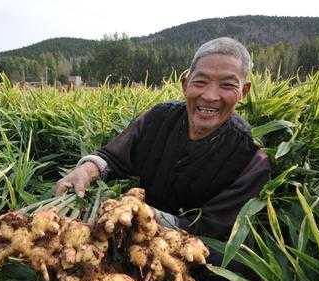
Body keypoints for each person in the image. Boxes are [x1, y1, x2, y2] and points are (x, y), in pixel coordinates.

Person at [55, 37, 271, 242]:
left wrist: (145, 215)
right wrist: (86, 170)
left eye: (227, 85)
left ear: (244, 91)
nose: (210, 96)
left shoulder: (250, 157)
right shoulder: (159, 118)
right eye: (201, 81)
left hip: (189, 254)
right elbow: (113, 157)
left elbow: (212, 230)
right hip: (129, 230)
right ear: (185, 84)